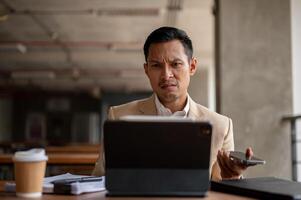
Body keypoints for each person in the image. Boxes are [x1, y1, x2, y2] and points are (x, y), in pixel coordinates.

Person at [92, 26, 253, 181]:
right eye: (156, 66)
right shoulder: (119, 116)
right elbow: (99, 180)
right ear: (146, 70)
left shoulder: (221, 126)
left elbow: (222, 187)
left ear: (192, 66)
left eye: (175, 64)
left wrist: (231, 179)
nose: (166, 75)